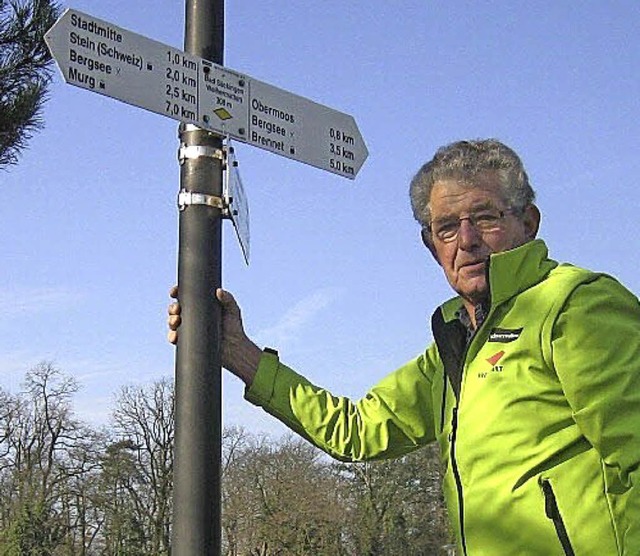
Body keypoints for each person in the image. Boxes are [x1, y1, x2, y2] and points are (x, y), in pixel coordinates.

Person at [168, 139, 640, 555]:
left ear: (528, 222)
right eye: (448, 228)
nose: (468, 241)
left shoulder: (576, 306)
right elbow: (357, 430)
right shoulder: (454, 346)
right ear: (430, 245)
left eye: (486, 218)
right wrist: (241, 355)